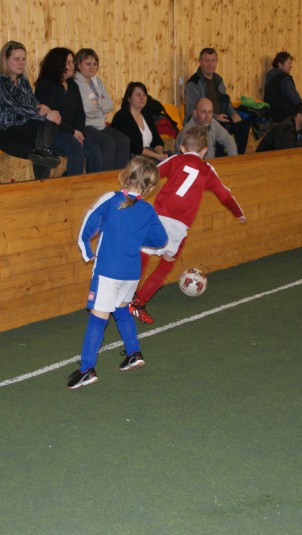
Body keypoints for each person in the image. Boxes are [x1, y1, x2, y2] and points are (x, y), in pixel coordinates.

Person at [129, 126, 246, 324]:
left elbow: (154, 172)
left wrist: (134, 192)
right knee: (165, 266)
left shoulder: (176, 160)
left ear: (182, 148)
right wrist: (238, 213)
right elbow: (225, 195)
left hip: (157, 217)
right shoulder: (207, 170)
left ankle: (126, 296)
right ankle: (138, 303)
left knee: (144, 254)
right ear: (204, 151)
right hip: (179, 226)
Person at [69, 157, 167, 389]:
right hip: (131, 272)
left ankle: (86, 369)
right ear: (150, 186)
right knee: (121, 310)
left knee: (98, 318)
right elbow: (160, 239)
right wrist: (136, 240)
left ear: (127, 174)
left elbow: (88, 224)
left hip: (108, 270)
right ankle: (134, 352)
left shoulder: (111, 199)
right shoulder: (148, 209)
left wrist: (87, 252)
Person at [0, 41, 62, 179]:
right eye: (16, 59)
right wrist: (44, 114)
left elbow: (33, 103)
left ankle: (42, 152)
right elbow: (14, 105)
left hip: (21, 127)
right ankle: (43, 157)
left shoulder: (22, 81)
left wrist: (44, 109)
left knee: (49, 124)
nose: (21, 63)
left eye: (23, 59)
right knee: (41, 140)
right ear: (5, 60)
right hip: (0, 130)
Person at [35, 47, 102, 175]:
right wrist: (73, 132)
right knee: (76, 149)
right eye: (68, 63)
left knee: (94, 150)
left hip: (72, 132)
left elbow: (80, 114)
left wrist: (79, 132)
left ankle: (92, 186)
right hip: (52, 133)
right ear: (57, 64)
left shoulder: (72, 85)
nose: (72, 66)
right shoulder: (46, 85)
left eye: (72, 62)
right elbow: (53, 118)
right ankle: (72, 185)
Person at [72, 48, 131, 170]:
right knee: (108, 142)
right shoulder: (75, 82)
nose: (92, 67)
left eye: (95, 64)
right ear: (78, 64)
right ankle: (107, 179)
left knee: (124, 141)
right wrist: (101, 104)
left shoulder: (97, 81)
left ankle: (119, 177)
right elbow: (86, 109)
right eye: (88, 64)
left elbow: (110, 105)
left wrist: (97, 103)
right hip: (85, 125)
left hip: (100, 124)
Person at [184, 48, 249, 154]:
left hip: (222, 117)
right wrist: (215, 116)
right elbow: (191, 109)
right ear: (200, 61)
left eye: (213, 60)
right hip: (203, 120)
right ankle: (220, 159)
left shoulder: (218, 79)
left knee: (243, 126)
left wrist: (233, 113)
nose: (211, 64)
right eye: (207, 60)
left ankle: (237, 158)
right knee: (217, 132)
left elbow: (226, 101)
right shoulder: (194, 83)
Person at [110, 82, 166, 161]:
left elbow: (157, 140)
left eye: (144, 95)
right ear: (129, 98)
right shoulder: (122, 116)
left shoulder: (146, 114)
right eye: (138, 95)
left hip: (150, 156)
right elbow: (132, 146)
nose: (142, 98)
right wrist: (156, 156)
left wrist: (160, 154)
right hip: (131, 159)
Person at [263, 51, 302, 123]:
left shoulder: (269, 77)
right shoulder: (284, 79)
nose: (291, 66)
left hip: (272, 116)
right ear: (280, 64)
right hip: (286, 116)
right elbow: (295, 98)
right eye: (289, 63)